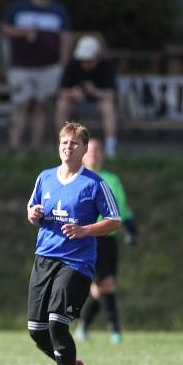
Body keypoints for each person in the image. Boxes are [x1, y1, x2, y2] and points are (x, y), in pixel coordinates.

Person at [25, 122, 120, 365]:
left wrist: (84, 230)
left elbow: (114, 220)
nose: (68, 147)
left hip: (76, 262)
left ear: (84, 148)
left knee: (57, 322)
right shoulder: (45, 177)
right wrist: (33, 215)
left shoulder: (94, 183)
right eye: (64, 142)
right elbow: (31, 209)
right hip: (44, 258)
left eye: (74, 143)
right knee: (36, 330)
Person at [75, 138, 138, 344]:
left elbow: (122, 206)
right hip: (90, 239)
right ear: (83, 154)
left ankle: (83, 327)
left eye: (97, 150)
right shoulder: (77, 179)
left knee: (100, 288)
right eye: (90, 150)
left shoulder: (112, 179)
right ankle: (115, 329)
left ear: (102, 154)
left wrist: (131, 227)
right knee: (106, 284)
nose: (94, 153)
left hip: (110, 239)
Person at [0, 0, 72, 152]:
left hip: (49, 67)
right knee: (20, 104)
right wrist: (23, 32)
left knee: (42, 106)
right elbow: (4, 29)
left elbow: (66, 36)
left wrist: (63, 62)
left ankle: (35, 148)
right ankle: (14, 147)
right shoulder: (18, 7)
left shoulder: (58, 10)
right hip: (21, 67)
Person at [55, 36, 118, 158]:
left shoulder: (106, 66)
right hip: (75, 103)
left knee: (108, 106)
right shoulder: (72, 65)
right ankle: (62, 143)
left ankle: (110, 146)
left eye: (88, 60)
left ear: (97, 57)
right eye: (82, 60)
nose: (84, 63)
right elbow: (62, 92)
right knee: (62, 105)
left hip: (97, 104)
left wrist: (95, 92)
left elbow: (111, 94)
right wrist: (74, 93)